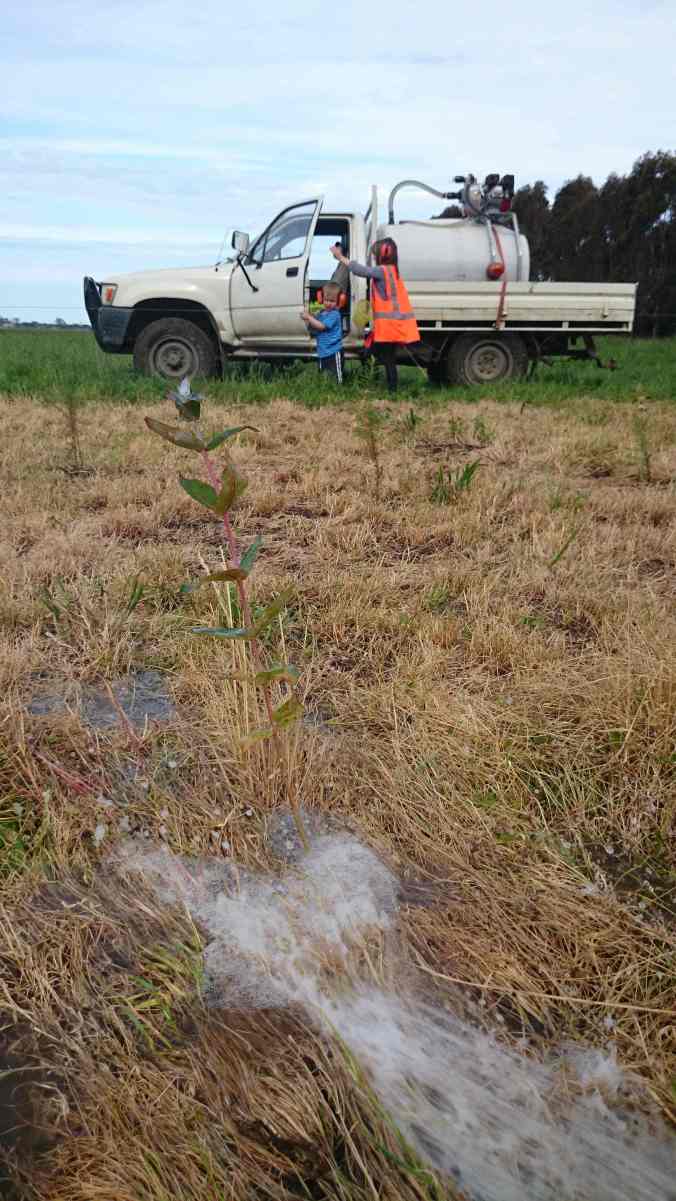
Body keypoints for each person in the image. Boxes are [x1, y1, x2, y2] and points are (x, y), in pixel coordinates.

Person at [330, 237, 419, 394]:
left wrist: (340, 257)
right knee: (382, 357)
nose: (374, 257)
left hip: (388, 328)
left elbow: (360, 271)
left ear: (383, 255)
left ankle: (384, 388)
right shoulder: (393, 271)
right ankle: (386, 388)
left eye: (374, 254)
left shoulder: (382, 271)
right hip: (392, 326)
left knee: (374, 355)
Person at [299, 281, 344, 383]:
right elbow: (315, 322)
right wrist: (312, 316)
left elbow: (321, 326)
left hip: (333, 351)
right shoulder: (322, 313)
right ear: (321, 299)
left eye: (332, 301)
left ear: (339, 301)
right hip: (323, 351)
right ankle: (324, 387)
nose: (328, 303)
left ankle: (338, 389)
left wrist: (309, 317)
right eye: (326, 300)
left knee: (335, 376)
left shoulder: (334, 314)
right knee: (324, 375)